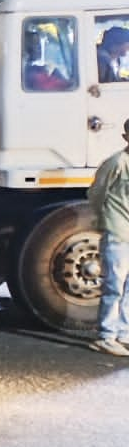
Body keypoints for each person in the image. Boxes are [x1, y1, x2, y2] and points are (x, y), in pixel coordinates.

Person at [88, 118, 129, 356]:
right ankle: (105, 336)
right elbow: (96, 194)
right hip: (118, 232)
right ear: (125, 137)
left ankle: (123, 334)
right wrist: (103, 220)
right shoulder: (116, 163)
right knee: (115, 285)